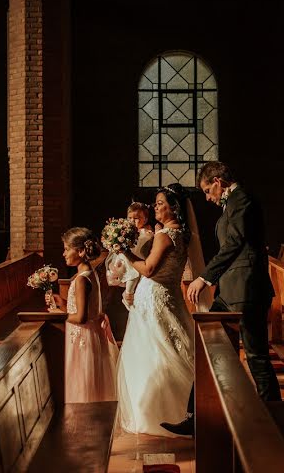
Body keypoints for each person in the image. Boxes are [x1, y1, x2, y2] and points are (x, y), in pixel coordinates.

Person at [162, 161, 280, 437]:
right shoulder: (231, 203)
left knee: (256, 356)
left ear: (218, 181)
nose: (207, 197)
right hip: (229, 292)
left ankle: (274, 417)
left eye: (207, 190)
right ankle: (195, 417)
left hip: (247, 290)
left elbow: (235, 243)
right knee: (208, 350)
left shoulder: (244, 200)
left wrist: (205, 277)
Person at [116, 184, 202, 437]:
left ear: (173, 208)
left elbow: (148, 269)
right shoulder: (181, 235)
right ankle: (188, 409)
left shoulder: (165, 235)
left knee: (155, 353)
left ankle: (158, 412)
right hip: (170, 295)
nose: (155, 207)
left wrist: (124, 253)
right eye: (155, 203)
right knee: (171, 348)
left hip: (154, 298)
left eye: (160, 203)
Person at [51, 227, 119, 403]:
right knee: (89, 381)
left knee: (81, 380)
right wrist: (63, 303)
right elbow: (87, 309)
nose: (64, 253)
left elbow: (81, 317)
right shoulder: (91, 274)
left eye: (67, 249)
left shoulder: (81, 279)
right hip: (90, 334)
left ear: (80, 251)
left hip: (82, 337)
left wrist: (58, 315)